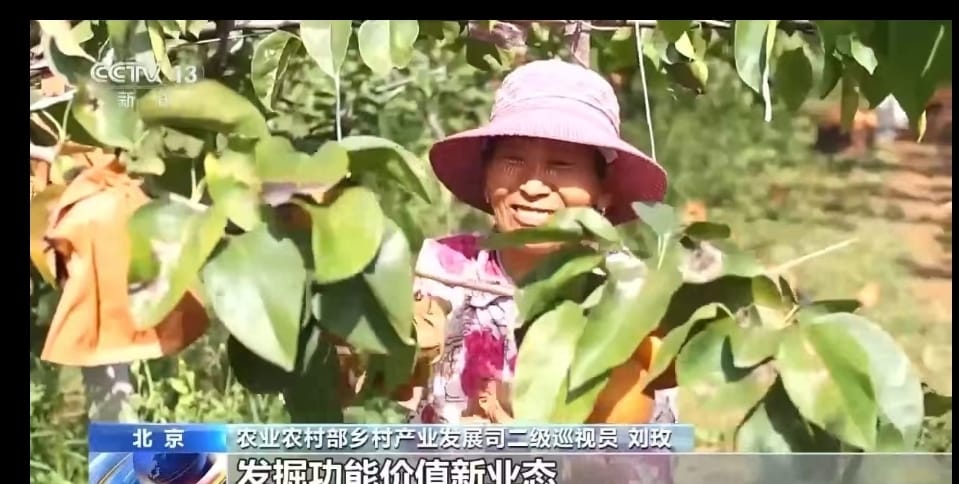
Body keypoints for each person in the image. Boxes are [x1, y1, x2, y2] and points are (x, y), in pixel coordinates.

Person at [406, 59, 678, 427]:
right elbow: (402, 377)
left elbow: (642, 436)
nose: (533, 187)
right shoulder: (444, 267)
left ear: (603, 192)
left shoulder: (628, 293)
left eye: (561, 165)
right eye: (513, 160)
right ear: (487, 178)